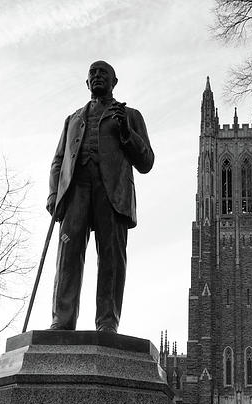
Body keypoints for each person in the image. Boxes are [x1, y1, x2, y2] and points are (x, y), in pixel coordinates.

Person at [46, 60, 154, 333]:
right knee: (68, 257)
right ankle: (62, 320)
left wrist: (126, 134)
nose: (96, 76)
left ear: (114, 81)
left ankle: (107, 321)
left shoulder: (129, 115)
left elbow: (146, 162)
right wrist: (53, 195)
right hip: (76, 192)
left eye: (102, 73)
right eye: (92, 73)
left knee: (111, 259)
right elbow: (58, 161)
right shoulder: (72, 119)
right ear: (87, 82)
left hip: (113, 193)